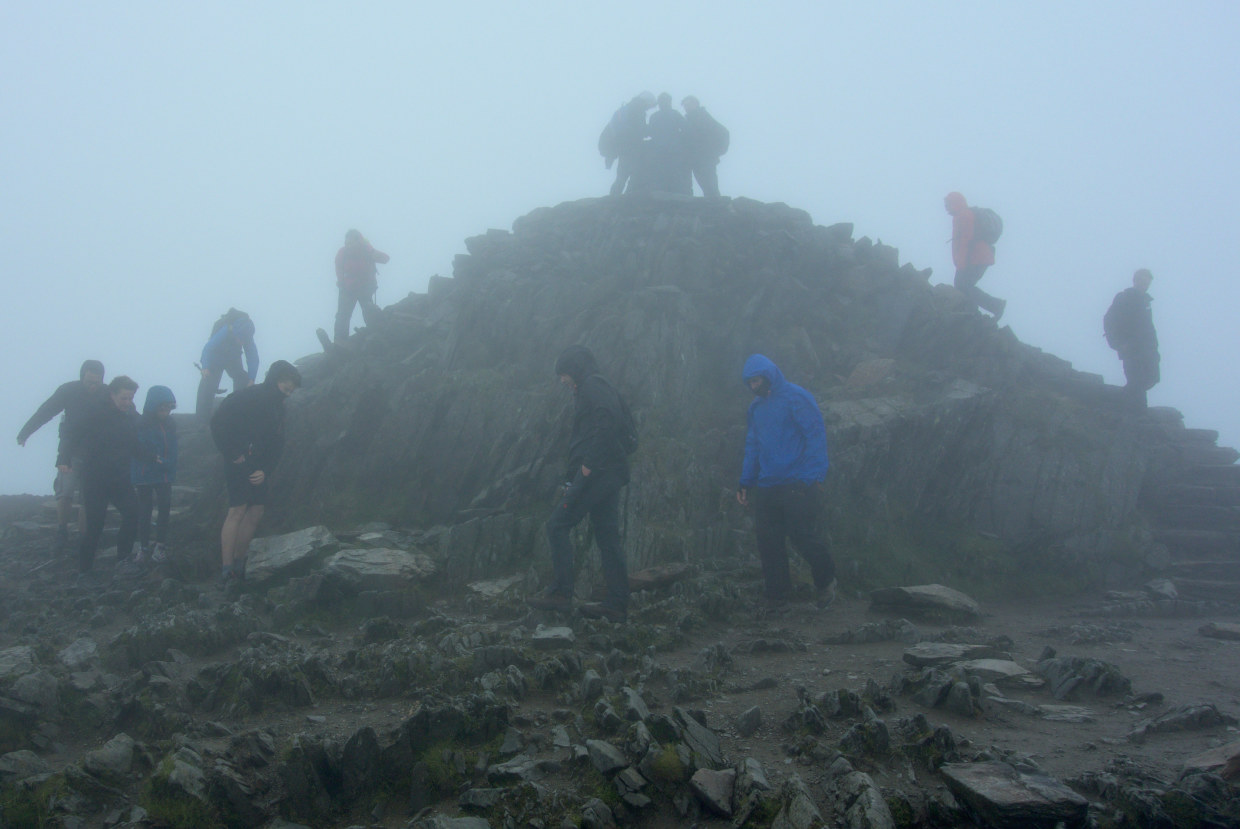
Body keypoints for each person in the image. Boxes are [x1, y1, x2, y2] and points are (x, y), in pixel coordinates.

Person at [528, 345, 633, 622]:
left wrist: (586, 467)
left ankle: (562, 593)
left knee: (557, 525)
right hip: (609, 473)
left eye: (563, 374)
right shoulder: (594, 385)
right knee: (608, 536)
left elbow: (607, 421)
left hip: (597, 473)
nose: (562, 380)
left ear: (573, 370)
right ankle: (617, 603)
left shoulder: (591, 386)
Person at [736, 354, 836, 608]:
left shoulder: (796, 397)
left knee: (801, 535)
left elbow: (815, 436)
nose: (753, 387)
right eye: (749, 383)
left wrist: (813, 477)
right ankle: (777, 595)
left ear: (768, 376)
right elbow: (753, 446)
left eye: (756, 381)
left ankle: (826, 582)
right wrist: (746, 482)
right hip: (768, 483)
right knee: (768, 541)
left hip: (798, 482)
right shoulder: (756, 407)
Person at [210, 360, 301, 585]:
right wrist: (233, 454)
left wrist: (266, 470)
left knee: (256, 510)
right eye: (286, 388)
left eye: (291, 390)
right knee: (238, 509)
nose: (288, 394)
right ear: (276, 380)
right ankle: (227, 568)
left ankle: (240, 563)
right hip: (238, 461)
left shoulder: (279, 408)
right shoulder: (248, 397)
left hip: (259, 465)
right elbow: (218, 422)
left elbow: (278, 443)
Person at [16, 359, 107, 555]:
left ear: (102, 380)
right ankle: (62, 531)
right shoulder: (68, 391)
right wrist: (26, 432)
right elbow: (46, 411)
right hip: (70, 451)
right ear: (81, 377)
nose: (92, 386)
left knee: (87, 498)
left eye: (96, 382)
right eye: (89, 381)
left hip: (96, 454)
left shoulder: (108, 394)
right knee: (65, 493)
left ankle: (84, 538)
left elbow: (128, 416)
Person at [72, 376, 143, 574]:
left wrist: (151, 457)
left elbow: (134, 443)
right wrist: (64, 458)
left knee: (133, 513)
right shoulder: (95, 413)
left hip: (120, 478)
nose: (128, 403)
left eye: (131, 398)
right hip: (95, 479)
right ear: (112, 395)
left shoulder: (130, 415)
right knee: (95, 524)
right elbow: (73, 434)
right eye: (124, 398)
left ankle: (123, 560)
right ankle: (84, 571)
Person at [131, 386, 178, 564]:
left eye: (168, 409)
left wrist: (169, 464)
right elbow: (136, 448)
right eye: (162, 408)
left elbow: (173, 447)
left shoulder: (170, 424)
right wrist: (153, 458)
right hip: (144, 473)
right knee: (145, 510)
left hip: (164, 473)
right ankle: (143, 548)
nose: (165, 412)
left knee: (164, 507)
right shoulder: (141, 424)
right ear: (153, 406)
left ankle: (160, 545)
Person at [1104, 268, 1160, 410]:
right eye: (1142, 281)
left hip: (1147, 350)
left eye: (1147, 282)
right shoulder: (1124, 298)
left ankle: (1121, 401)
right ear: (1135, 281)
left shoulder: (1146, 302)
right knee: (1136, 380)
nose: (1144, 285)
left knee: (1152, 378)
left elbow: (1148, 328)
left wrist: (1155, 349)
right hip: (1131, 348)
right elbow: (1109, 319)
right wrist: (1118, 344)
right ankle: (1137, 412)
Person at [945, 191, 1005, 320]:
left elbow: (964, 241)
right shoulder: (962, 215)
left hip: (976, 258)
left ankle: (996, 305)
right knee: (963, 286)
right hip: (979, 257)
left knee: (963, 285)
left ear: (955, 203)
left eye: (948, 203)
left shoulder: (963, 216)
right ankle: (971, 312)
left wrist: (960, 264)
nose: (946, 206)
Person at [197, 309, 258, 421]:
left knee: (243, 379)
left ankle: (237, 411)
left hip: (232, 357)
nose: (242, 343)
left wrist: (251, 378)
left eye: (244, 340)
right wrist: (205, 367)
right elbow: (208, 348)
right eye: (240, 339)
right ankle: (202, 419)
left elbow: (253, 357)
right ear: (235, 333)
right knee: (208, 382)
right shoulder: (226, 330)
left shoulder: (247, 335)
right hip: (216, 357)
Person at [334, 229, 390, 342]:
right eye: (347, 242)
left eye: (350, 242)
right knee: (344, 316)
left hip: (360, 288)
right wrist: (341, 284)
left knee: (353, 314)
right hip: (351, 288)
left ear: (358, 241)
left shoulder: (366, 251)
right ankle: (341, 342)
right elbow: (338, 267)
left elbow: (385, 259)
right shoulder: (343, 252)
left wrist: (369, 249)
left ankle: (373, 335)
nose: (348, 245)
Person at [605, 91, 657, 196]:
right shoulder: (637, 110)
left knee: (621, 176)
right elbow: (637, 130)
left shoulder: (629, 108)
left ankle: (613, 198)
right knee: (633, 173)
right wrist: (650, 131)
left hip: (623, 148)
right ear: (646, 102)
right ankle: (623, 198)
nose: (649, 108)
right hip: (631, 148)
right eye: (650, 106)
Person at [681, 96, 728, 198]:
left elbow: (723, 132)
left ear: (696, 104)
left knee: (710, 187)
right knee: (707, 187)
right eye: (685, 105)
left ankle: (717, 208)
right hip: (697, 159)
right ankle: (714, 208)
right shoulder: (691, 118)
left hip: (705, 159)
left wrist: (713, 152)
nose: (686, 107)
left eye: (689, 104)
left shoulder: (702, 117)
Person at [646, 92, 691, 195]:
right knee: (675, 175)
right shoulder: (675, 114)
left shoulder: (655, 116)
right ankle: (680, 196)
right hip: (673, 151)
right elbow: (686, 129)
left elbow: (650, 132)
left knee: (661, 175)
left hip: (660, 151)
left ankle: (662, 195)